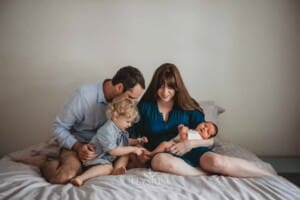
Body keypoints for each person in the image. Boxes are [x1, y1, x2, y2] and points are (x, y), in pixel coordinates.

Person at [130, 63, 273, 177]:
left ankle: (267, 174)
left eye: (170, 87)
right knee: (159, 162)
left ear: (177, 87)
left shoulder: (187, 105)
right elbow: (133, 135)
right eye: (161, 86)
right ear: (155, 86)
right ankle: (201, 173)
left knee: (217, 161)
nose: (165, 92)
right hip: (163, 154)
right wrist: (140, 151)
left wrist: (189, 145)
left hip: (191, 149)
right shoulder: (145, 107)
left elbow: (210, 140)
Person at [15, 66, 145, 184]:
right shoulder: (84, 96)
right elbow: (58, 127)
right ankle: (45, 162)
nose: (132, 103)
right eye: (130, 97)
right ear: (119, 88)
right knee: (64, 176)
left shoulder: (123, 105)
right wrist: (78, 147)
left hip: (103, 149)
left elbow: (124, 133)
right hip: (77, 144)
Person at [71, 97, 147, 186]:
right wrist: (133, 149)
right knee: (108, 168)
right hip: (95, 159)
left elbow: (124, 142)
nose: (130, 125)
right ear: (115, 117)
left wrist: (137, 141)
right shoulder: (107, 130)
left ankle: (117, 169)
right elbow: (112, 150)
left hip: (107, 159)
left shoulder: (120, 129)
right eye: (127, 121)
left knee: (125, 153)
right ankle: (80, 178)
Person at [149, 121, 218, 157]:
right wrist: (180, 130)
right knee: (163, 146)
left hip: (177, 149)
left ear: (207, 138)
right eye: (205, 125)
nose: (204, 128)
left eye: (208, 131)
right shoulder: (193, 131)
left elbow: (184, 141)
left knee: (164, 144)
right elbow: (180, 137)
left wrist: (183, 132)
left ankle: (150, 155)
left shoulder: (198, 137)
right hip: (174, 145)